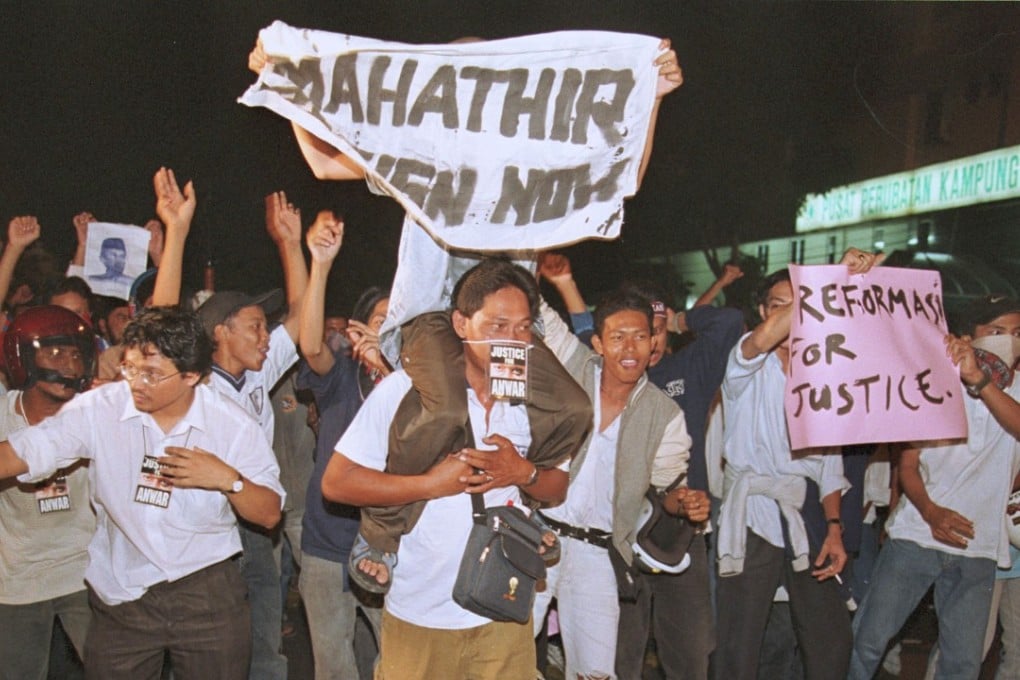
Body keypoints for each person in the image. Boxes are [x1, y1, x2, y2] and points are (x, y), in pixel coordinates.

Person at [321, 259, 578, 680]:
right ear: (461, 324)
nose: (512, 342)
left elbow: (555, 488)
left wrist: (523, 472)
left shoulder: (535, 399)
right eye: (497, 326)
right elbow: (337, 482)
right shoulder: (407, 390)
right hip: (420, 614)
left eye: (523, 328)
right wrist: (428, 484)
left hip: (504, 611)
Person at [0, 306, 284, 679]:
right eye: (130, 368)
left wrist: (227, 480)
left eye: (151, 374)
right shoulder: (100, 409)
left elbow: (268, 513)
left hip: (206, 591)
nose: (136, 383)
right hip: (123, 596)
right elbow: (25, 451)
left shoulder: (231, 425)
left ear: (191, 376)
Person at [540, 252, 743, 679]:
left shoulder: (666, 410)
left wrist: (684, 503)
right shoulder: (574, 366)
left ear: (657, 340)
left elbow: (667, 490)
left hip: (619, 548)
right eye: (619, 337)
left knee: (617, 668)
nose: (631, 347)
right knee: (505, 658)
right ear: (599, 343)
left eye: (643, 336)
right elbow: (533, 313)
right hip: (542, 539)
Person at [712, 248, 880, 680]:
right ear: (763, 313)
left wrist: (836, 530)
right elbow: (767, 337)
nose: (792, 314)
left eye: (799, 303)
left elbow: (828, 464)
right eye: (779, 305)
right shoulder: (744, 364)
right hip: (751, 516)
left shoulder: (826, 374)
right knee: (740, 643)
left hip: (805, 516)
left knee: (830, 639)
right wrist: (829, 283)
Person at [849, 295, 1020, 680]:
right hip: (915, 538)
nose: (1008, 341)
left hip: (979, 548)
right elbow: (906, 466)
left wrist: (980, 381)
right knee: (868, 642)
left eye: (1017, 333)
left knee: (961, 663)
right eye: (996, 331)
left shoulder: (1017, 388)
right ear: (969, 336)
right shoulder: (930, 380)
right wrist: (931, 512)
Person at [193, 189, 306, 680]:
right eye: (256, 326)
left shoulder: (258, 372)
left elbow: (303, 319)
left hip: (256, 520)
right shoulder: (190, 386)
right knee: (205, 648)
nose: (267, 337)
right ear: (220, 331)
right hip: (205, 529)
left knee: (264, 639)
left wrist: (292, 246)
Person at [297, 212, 387, 679]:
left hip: (390, 552)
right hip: (327, 545)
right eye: (378, 320)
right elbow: (311, 345)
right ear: (356, 330)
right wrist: (321, 264)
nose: (385, 330)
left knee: (398, 664)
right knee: (332, 665)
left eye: (398, 322)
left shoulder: (424, 391)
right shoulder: (341, 376)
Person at [0, 305, 97, 679]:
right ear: (22, 357)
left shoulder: (93, 413)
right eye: (54, 352)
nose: (69, 365)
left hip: (85, 571)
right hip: (18, 580)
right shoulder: (3, 415)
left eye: (76, 353)